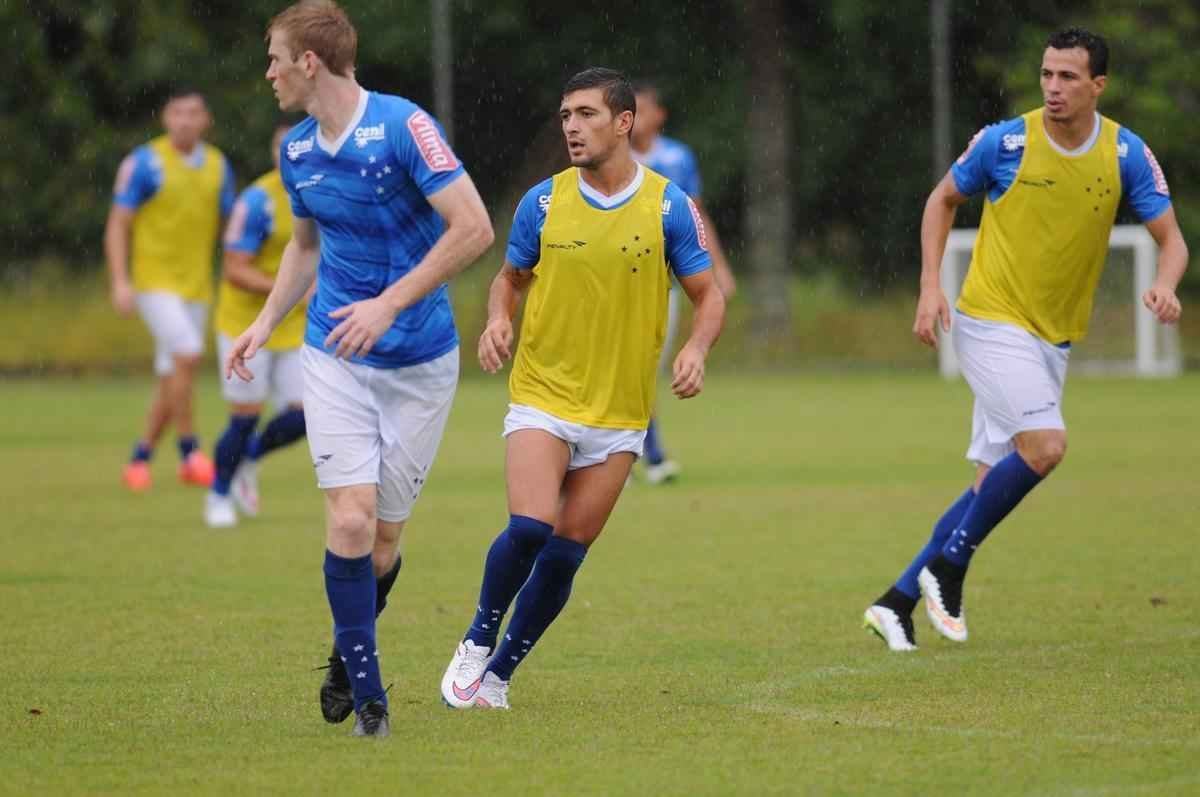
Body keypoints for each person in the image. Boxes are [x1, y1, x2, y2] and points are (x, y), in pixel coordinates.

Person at [864, 27, 1187, 652]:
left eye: (1068, 77)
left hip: (1051, 340)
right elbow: (941, 200)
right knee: (1046, 446)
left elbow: (1172, 241)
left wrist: (1166, 284)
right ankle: (948, 570)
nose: (1053, 87)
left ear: (1098, 85)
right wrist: (930, 286)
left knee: (990, 484)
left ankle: (896, 602)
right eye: (1046, 74)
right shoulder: (1005, 142)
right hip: (989, 320)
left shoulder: (1126, 153)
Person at [226, 0, 493, 736]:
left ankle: (347, 654)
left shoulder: (403, 126)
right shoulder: (296, 152)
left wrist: (389, 304)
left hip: (421, 361)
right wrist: (264, 323)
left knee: (382, 544)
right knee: (349, 519)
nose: (269, 72)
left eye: (276, 58)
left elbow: (474, 227)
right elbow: (304, 247)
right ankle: (372, 700)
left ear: (310, 61)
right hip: (334, 354)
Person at [439, 67, 725, 710]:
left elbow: (709, 296)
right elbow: (509, 279)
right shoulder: (542, 203)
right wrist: (498, 319)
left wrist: (696, 349)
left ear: (624, 123)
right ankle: (478, 638)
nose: (571, 126)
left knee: (566, 554)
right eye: (566, 115)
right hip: (543, 392)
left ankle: (499, 677)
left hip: (621, 411)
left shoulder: (669, 207)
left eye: (587, 114)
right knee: (530, 527)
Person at [106, 88, 235, 492]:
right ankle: (190, 452)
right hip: (153, 282)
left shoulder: (218, 166)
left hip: (196, 286)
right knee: (187, 353)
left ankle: (139, 459)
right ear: (165, 118)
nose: (185, 120)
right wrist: (120, 280)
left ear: (206, 120)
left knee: (172, 376)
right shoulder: (144, 163)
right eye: (177, 112)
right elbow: (118, 224)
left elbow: (229, 228)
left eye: (193, 113)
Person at [630, 81, 736, 484]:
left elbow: (696, 216)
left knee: (646, 368)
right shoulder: (612, 158)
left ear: (659, 115)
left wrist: (718, 267)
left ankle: (635, 453)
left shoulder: (677, 158)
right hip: (615, 281)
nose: (635, 118)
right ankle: (646, 454)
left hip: (664, 283)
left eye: (643, 109)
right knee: (627, 367)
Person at [204, 124, 309, 529]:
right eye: (284, 149)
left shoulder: (324, 192)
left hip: (295, 327)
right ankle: (218, 493)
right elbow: (234, 269)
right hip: (246, 324)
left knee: (307, 416)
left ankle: (250, 456)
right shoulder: (258, 201)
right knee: (245, 417)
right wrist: (290, 290)